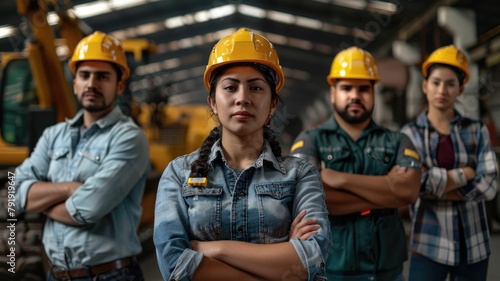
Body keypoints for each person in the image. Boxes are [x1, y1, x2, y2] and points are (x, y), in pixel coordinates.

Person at [153, 27, 331, 281]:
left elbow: (313, 258)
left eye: (256, 88)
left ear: (272, 104)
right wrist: (282, 259)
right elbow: (174, 265)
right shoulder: (179, 174)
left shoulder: (300, 174)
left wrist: (212, 249)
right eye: (230, 87)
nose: (242, 98)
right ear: (213, 102)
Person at [14, 31, 150, 280]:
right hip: (56, 275)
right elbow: (18, 193)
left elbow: (88, 209)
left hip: (111, 275)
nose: (91, 84)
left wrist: (40, 203)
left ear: (119, 85)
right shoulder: (53, 135)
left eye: (103, 77)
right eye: (84, 75)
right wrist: (69, 189)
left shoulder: (129, 138)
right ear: (75, 82)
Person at [290, 46, 422, 281]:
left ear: (373, 92)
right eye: (346, 88)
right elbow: (309, 202)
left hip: (387, 271)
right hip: (332, 270)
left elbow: (408, 191)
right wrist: (388, 191)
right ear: (333, 93)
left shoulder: (397, 140)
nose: (355, 95)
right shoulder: (310, 141)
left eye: (363, 89)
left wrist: (341, 180)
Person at [401, 45, 498, 281]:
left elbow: (490, 185)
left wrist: (434, 185)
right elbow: (413, 185)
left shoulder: (476, 131)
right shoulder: (409, 134)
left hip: (473, 246)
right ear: (425, 86)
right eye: (435, 82)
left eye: (450, 83)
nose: (441, 90)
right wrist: (465, 174)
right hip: (427, 245)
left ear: (461, 88)